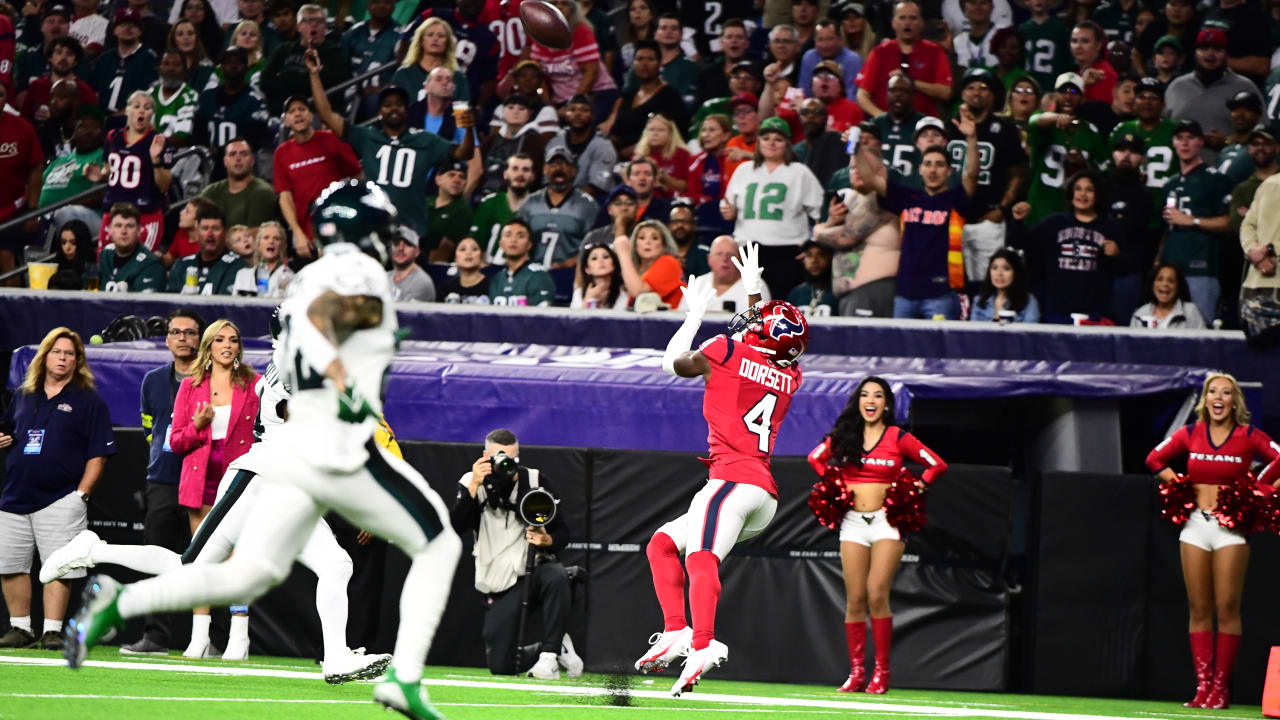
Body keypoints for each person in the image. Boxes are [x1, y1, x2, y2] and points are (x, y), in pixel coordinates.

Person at [53, 296, 398, 683]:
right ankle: (94, 549)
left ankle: (335, 656)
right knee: (190, 567)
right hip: (261, 477)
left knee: (337, 564)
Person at [636, 246, 808, 697]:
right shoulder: (793, 374)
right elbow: (762, 345)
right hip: (761, 495)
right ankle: (676, 630)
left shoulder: (723, 349)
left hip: (732, 480)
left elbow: (671, 364)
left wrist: (693, 316)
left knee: (700, 557)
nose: (751, 323)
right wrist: (753, 294)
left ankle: (704, 642)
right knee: (662, 545)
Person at [1145, 373, 1280, 710]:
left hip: (1230, 529)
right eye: (1213, 392)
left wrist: (1261, 490)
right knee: (1199, 608)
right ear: (1205, 399)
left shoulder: (1249, 436)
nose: (1219, 397)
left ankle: (1221, 689)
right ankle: (1203, 687)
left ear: (1235, 401)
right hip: (1194, 525)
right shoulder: (1190, 433)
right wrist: (1177, 484)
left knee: (1227, 607)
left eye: (1227, 392)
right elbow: (1154, 459)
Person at [807, 375, 946, 694]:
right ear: (858, 402)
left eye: (878, 396)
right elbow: (815, 458)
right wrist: (835, 485)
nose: (871, 400)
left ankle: (882, 672)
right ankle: (857, 673)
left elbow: (936, 465)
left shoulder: (898, 437)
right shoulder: (845, 436)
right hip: (852, 521)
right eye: (865, 395)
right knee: (855, 598)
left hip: (888, 521)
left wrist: (916, 487)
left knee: (876, 593)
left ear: (886, 405)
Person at [0, 328, 114, 651]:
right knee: (10, 565)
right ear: (44, 356)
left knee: (59, 567)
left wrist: (82, 495)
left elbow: (99, 453)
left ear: (77, 361)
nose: (63, 358)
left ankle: (52, 631)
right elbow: (8, 430)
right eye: (57, 352)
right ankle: (20, 628)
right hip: (14, 496)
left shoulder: (88, 399)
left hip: (61, 497)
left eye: (69, 354)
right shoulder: (24, 395)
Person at [109, 309, 205, 655]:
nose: (182, 338)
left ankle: (210, 638)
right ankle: (156, 637)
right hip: (163, 479)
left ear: (201, 339)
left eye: (190, 332)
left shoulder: (214, 379)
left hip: (206, 479)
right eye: (176, 332)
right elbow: (151, 429)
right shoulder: (151, 381)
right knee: (157, 557)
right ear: (166, 339)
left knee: (209, 557)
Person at [449, 428, 581, 678]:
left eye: (511, 460)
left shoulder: (534, 481)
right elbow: (456, 526)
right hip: (498, 580)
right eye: (499, 458)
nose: (505, 465)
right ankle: (554, 646)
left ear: (518, 456)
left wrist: (547, 539)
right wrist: (476, 484)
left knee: (556, 575)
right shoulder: (471, 482)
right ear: (485, 455)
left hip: (533, 570)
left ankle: (549, 655)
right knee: (501, 666)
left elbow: (563, 532)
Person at [307, 51, 471, 244]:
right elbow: (326, 115)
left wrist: (468, 126)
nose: (394, 108)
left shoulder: (426, 140)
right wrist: (314, 74)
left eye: (399, 104)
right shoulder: (367, 137)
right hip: (375, 229)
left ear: (406, 109)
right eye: (387, 105)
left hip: (413, 231)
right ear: (380, 112)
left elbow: (463, 153)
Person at [853, 109, 980, 319]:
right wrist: (856, 149)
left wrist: (972, 138)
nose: (933, 170)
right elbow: (869, 179)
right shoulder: (905, 196)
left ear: (949, 171)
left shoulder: (956, 200)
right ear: (919, 169)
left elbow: (973, 174)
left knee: (938, 351)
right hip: (905, 293)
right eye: (928, 164)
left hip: (941, 293)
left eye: (940, 165)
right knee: (901, 352)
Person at [722, 116, 824, 300]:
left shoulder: (799, 172)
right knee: (750, 310)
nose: (772, 143)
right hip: (748, 249)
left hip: (787, 251)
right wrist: (728, 211)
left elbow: (820, 211)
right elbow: (728, 204)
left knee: (780, 310)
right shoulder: (744, 170)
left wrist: (813, 245)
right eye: (766, 138)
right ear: (759, 141)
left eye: (778, 139)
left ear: (788, 144)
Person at [947, 67, 1028, 288]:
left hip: (988, 218)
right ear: (962, 93)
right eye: (970, 87)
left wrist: (1002, 208)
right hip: (953, 219)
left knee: (989, 285)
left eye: (984, 88)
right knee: (953, 283)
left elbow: (1018, 173)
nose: (976, 92)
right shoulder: (949, 126)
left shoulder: (1004, 129)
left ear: (993, 95)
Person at [1010, 169, 1122, 323]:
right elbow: (1019, 242)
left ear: (1097, 195)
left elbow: (1126, 267)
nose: (1082, 194)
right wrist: (1017, 221)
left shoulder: (1110, 227)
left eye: (1089, 190)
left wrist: (1116, 254)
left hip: (1095, 312)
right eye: (1078, 189)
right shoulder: (1054, 223)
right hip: (1058, 311)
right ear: (1071, 194)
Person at [1159, 119, 1233, 325]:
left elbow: (1230, 223)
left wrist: (1193, 220)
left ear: (1201, 142)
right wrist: (1159, 263)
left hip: (1202, 269)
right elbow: (1166, 230)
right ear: (1173, 142)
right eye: (1179, 138)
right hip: (1171, 270)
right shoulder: (1170, 184)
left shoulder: (1216, 179)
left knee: (1200, 329)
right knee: (1169, 328)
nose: (1184, 143)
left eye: (1190, 138)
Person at [272, 95, 362, 260]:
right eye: (292, 111)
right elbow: (285, 197)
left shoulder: (331, 140)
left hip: (338, 226)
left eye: (302, 109)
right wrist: (297, 233)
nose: (298, 114)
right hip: (307, 235)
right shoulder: (281, 154)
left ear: (311, 115)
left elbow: (358, 177)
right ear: (286, 120)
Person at [89, 91, 171, 252]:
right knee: (105, 264)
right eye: (137, 106)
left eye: (147, 108)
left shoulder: (158, 141)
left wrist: (155, 160)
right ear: (127, 110)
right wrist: (100, 176)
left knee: (139, 266)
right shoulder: (113, 137)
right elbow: (109, 169)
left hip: (144, 215)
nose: (141, 111)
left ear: (152, 114)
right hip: (113, 213)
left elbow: (165, 185)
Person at [1023, 72, 1109, 225]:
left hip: (1074, 214)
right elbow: (1034, 121)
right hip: (1041, 209)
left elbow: (1106, 171)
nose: (1068, 97)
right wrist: (1057, 117)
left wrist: (1084, 165)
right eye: (1063, 91)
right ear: (1055, 95)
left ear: (1083, 98)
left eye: (1074, 92)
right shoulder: (1047, 123)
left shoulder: (1090, 132)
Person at [1163, 29, 1260, 158]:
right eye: (1203, 48)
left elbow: (1263, 137)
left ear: (1227, 54)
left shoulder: (1245, 87)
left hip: (1228, 172)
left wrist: (1228, 143)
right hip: (1179, 173)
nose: (1210, 54)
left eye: (1217, 49)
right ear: (1195, 53)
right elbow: (1161, 129)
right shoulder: (1176, 87)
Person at [855, 1, 952, 118]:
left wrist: (911, 82)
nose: (907, 23)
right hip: (886, 129)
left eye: (913, 18)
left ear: (921, 23)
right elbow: (862, 95)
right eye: (902, 18)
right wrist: (882, 118)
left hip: (924, 129)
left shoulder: (934, 51)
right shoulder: (880, 52)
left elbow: (945, 92)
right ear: (893, 23)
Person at [259, 4, 349, 115]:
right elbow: (265, 81)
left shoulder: (334, 52)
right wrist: (305, 81)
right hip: (281, 112)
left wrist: (286, 78)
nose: (314, 25)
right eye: (307, 21)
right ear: (298, 26)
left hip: (317, 113)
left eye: (319, 21)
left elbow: (331, 82)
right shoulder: (283, 50)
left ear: (325, 26)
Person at [518, 146, 599, 270]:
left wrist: (569, 263)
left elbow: (596, 245)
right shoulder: (530, 202)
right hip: (532, 273)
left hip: (569, 274)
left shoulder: (587, 205)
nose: (559, 168)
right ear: (545, 169)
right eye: (553, 164)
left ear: (574, 170)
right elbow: (518, 238)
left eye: (564, 164)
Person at [604, 40, 688, 156]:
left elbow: (675, 134)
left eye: (650, 59)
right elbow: (617, 133)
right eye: (639, 59)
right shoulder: (629, 95)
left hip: (653, 157)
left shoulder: (670, 96)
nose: (644, 64)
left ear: (659, 64)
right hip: (620, 158)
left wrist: (635, 150)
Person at [195, 48, 269, 152]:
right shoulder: (207, 97)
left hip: (243, 161)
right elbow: (197, 134)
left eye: (238, 62)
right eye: (228, 62)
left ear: (246, 67)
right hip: (209, 162)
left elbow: (255, 138)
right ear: (221, 67)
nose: (233, 66)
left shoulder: (255, 101)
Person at [1110, 78, 1176, 191]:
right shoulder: (1122, 129)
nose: (1147, 102)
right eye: (1141, 97)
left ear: (1163, 103)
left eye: (1153, 97)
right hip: (1129, 202)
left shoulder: (1176, 130)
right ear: (1134, 102)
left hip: (1166, 204)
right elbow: (1108, 168)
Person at [679, 234, 774, 313]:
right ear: (709, 259)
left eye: (730, 255)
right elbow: (679, 320)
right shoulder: (698, 283)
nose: (725, 259)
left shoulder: (756, 284)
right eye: (719, 254)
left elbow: (761, 327)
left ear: (740, 260)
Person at [545, 94, 617, 199]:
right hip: (558, 199)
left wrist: (566, 204)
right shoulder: (555, 142)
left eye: (584, 110)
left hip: (594, 202)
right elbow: (547, 181)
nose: (578, 114)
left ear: (592, 115)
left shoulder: (604, 146)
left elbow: (596, 187)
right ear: (565, 114)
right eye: (572, 109)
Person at [88, 9, 158, 115]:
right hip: (102, 120)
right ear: (114, 30)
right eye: (123, 24)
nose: (128, 28)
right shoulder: (105, 59)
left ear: (140, 31)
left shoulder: (149, 59)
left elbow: (149, 96)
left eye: (133, 25)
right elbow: (94, 91)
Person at [198, 138, 277, 230]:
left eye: (243, 154)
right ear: (225, 161)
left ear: (252, 160)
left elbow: (255, 236)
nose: (238, 158)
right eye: (232, 154)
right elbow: (197, 226)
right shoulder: (211, 191)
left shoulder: (263, 192)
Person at [471, 153, 535, 264]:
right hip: (489, 269)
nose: (520, 174)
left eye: (525, 170)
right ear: (505, 174)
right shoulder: (489, 203)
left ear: (532, 176)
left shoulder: (539, 207)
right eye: (515, 169)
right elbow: (476, 244)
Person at [479, 94, 547, 197]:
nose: (516, 112)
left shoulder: (535, 140)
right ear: (503, 112)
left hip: (516, 195)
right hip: (484, 193)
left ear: (529, 114)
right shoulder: (494, 138)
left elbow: (532, 175)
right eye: (510, 107)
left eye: (521, 109)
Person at [392, 16, 469, 106]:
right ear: (421, 41)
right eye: (430, 35)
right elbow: (395, 111)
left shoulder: (457, 77)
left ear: (447, 43)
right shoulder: (403, 74)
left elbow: (463, 117)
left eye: (441, 36)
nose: (435, 39)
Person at [614, 219, 685, 309]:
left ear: (663, 245)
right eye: (642, 238)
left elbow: (639, 293)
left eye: (654, 238)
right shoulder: (634, 270)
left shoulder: (669, 262)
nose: (648, 242)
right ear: (635, 245)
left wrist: (623, 252)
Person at [166, 205, 238, 294]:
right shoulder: (181, 265)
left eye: (216, 229)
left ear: (225, 233)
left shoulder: (236, 266)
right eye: (205, 228)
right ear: (197, 232)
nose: (210, 234)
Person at [97, 202, 166, 292]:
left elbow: (144, 305)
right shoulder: (105, 254)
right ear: (109, 229)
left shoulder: (151, 264)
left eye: (129, 226)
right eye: (118, 225)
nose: (123, 231)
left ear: (138, 231)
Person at [490, 218, 556, 306]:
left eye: (520, 236)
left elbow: (542, 317)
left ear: (529, 245)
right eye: (508, 235)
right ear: (501, 244)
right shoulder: (497, 279)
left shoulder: (539, 276)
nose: (513, 240)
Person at [870, 72, 924, 180]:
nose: (898, 95)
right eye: (893, 90)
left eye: (904, 91)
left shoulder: (924, 125)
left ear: (913, 95)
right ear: (886, 94)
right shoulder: (875, 124)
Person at [968, 248, 1040, 322]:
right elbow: (973, 332)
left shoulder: (1029, 301)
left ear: (1016, 273)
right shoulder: (979, 301)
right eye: (994, 268)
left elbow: (1029, 332)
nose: (999, 273)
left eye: (1006, 268)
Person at [797, 20, 863, 100]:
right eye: (820, 40)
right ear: (814, 42)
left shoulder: (853, 60)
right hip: (813, 109)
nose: (825, 45)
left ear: (840, 40)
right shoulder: (809, 57)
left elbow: (852, 96)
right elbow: (804, 92)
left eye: (829, 39)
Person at [1130, 262, 1205, 328]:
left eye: (1171, 281)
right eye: (1160, 279)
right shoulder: (1140, 314)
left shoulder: (1190, 311)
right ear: (1152, 285)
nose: (1165, 284)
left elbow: (1203, 341)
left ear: (1178, 287)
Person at [633, 113, 691, 198]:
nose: (655, 134)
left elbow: (686, 187)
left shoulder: (682, 154)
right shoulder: (639, 154)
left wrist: (663, 177)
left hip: (671, 200)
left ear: (670, 134)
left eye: (660, 130)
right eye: (651, 130)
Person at [230, 222, 293, 297]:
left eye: (276, 238)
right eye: (266, 237)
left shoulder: (289, 277)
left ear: (282, 246)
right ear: (258, 244)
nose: (271, 241)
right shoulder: (242, 275)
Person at [1068, 21, 1117, 104]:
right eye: (1074, 41)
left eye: (1085, 41)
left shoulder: (1104, 74)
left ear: (1098, 45)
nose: (1078, 46)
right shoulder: (1074, 73)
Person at [688, 114, 732, 205]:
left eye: (712, 130)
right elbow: (692, 193)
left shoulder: (733, 160)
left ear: (725, 135)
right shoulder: (695, 161)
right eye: (703, 130)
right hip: (704, 210)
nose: (705, 135)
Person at [571, 241, 628, 310]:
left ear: (614, 265)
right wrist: (588, 298)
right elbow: (574, 319)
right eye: (594, 258)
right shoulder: (578, 293)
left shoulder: (623, 293)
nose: (601, 261)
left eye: (606, 257)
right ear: (587, 269)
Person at [787, 240, 837, 316]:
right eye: (809, 255)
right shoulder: (796, 293)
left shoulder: (838, 292)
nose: (814, 260)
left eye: (821, 255)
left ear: (830, 258)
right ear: (804, 260)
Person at [439, 235, 492, 303]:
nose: (468, 253)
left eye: (474, 249)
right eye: (462, 249)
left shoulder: (492, 288)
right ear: (455, 258)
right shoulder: (446, 290)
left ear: (481, 256)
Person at [388, 227, 436, 302]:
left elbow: (403, 313)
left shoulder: (422, 282)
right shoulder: (384, 277)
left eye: (407, 244)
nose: (401, 248)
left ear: (417, 252)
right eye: (396, 243)